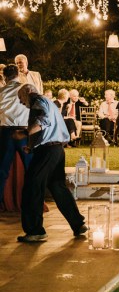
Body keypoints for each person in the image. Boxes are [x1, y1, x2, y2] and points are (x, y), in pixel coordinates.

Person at [16, 84, 86, 243]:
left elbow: (43, 121)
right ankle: (78, 224)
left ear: (28, 92)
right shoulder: (49, 103)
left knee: (33, 186)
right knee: (57, 186)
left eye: (21, 98)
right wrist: (31, 146)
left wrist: (25, 133)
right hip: (57, 150)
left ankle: (35, 230)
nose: (21, 103)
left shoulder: (37, 101)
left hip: (48, 151)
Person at [0, 65, 31, 210]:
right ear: (17, 74)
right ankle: (31, 202)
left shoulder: (1, 91)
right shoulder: (26, 88)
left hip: (6, 131)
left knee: (2, 170)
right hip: (24, 131)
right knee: (30, 169)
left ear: (5, 76)